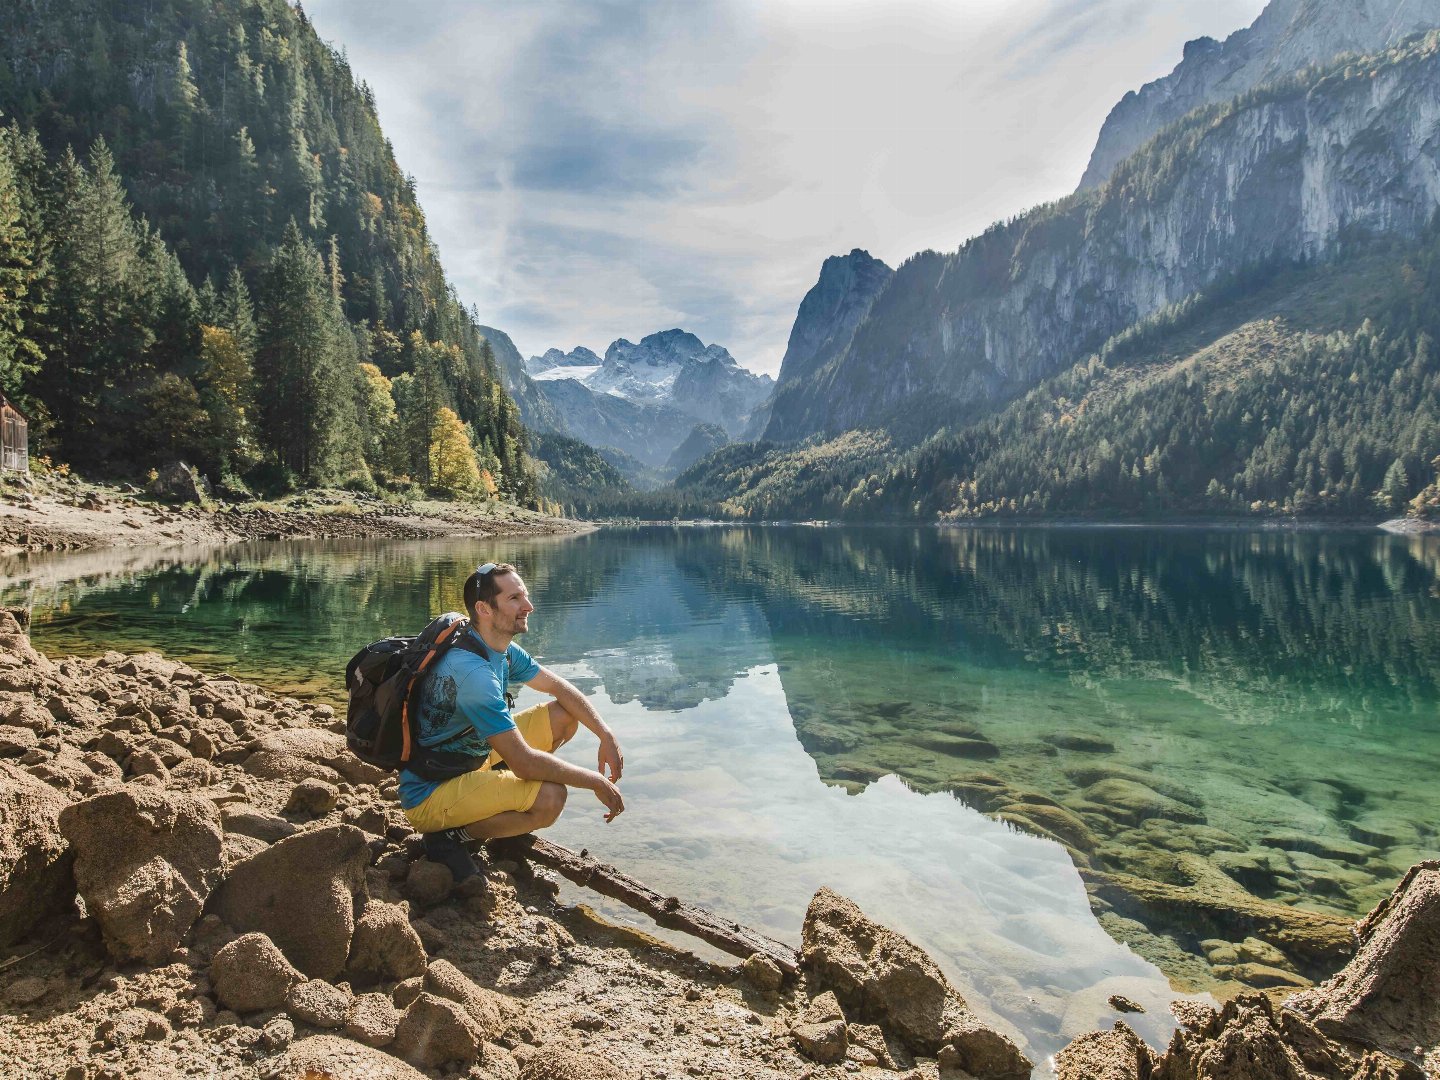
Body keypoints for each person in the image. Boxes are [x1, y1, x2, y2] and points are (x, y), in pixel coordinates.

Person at [398, 561, 625, 881]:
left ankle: (505, 808)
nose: (528, 606)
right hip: (431, 793)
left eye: (525, 596)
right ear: (484, 609)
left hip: (468, 761)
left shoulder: (497, 649)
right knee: (551, 798)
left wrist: (605, 733)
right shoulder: (474, 674)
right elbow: (525, 763)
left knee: (563, 716)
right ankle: (451, 837)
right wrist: (594, 781)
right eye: (515, 599)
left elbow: (559, 686)